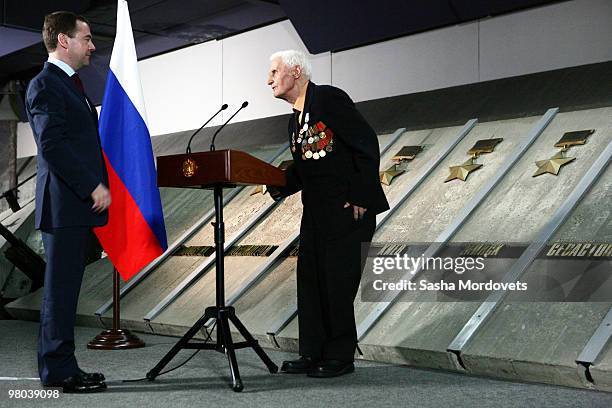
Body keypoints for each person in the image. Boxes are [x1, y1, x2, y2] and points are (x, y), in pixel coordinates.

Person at [266, 50, 389, 378]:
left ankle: (339, 355)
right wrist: (269, 179)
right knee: (310, 282)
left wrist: (361, 194)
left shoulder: (328, 98)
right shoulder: (295, 118)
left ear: (295, 71)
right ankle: (312, 352)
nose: (269, 80)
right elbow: (307, 169)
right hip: (316, 213)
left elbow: (365, 143)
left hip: (348, 209)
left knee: (337, 283)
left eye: (274, 72)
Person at [26, 11, 110, 393]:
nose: (92, 46)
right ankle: (59, 372)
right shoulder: (46, 85)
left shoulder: (71, 85)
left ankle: (64, 365)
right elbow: (52, 145)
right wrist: (91, 186)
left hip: (72, 207)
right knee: (60, 294)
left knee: (66, 291)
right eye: (87, 38)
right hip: (63, 206)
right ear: (64, 40)